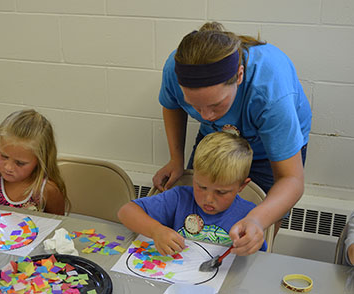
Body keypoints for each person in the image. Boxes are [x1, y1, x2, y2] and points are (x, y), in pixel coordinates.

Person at [153, 22, 312, 255]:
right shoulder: (174, 68)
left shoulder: (269, 92)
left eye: (216, 104)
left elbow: (291, 180)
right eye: (194, 105)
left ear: (239, 76)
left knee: (253, 233)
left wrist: (257, 221)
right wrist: (176, 159)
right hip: (218, 136)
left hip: (268, 148)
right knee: (199, 210)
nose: (205, 115)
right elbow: (172, 105)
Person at [118, 132, 267, 256]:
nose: (208, 199)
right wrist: (156, 231)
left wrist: (250, 246)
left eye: (221, 192)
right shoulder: (179, 198)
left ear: (242, 186)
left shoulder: (249, 216)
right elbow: (126, 211)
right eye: (201, 187)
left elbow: (258, 260)